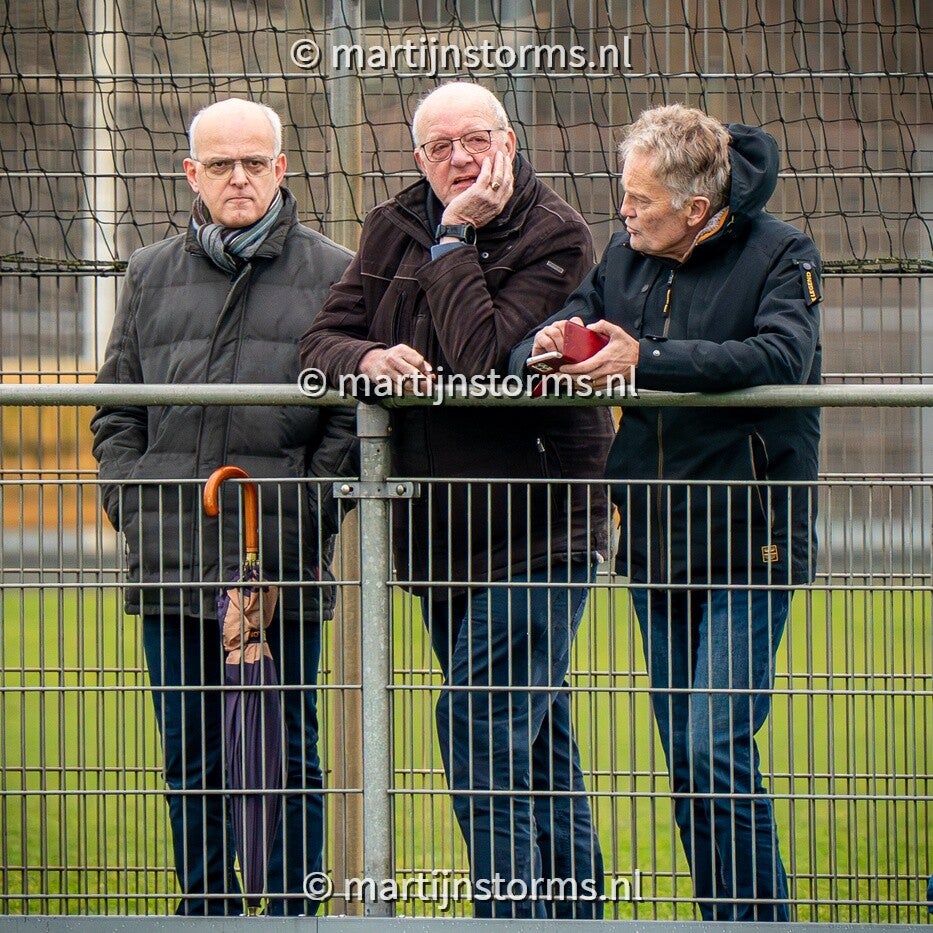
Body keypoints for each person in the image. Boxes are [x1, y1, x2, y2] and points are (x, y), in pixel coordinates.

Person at [299, 81, 614, 918]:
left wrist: (453, 238)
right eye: (440, 147)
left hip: (540, 531)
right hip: (439, 537)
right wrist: (368, 361)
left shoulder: (556, 234)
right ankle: (573, 916)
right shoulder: (389, 224)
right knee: (534, 744)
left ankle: (505, 918)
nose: (460, 159)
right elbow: (320, 342)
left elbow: (480, 360)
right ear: (418, 157)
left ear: (508, 141)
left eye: (475, 140)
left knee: (477, 724)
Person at [512, 103, 822, 921]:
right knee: (686, 761)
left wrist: (644, 359)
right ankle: (726, 917)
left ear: (694, 208)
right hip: (654, 541)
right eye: (624, 194)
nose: (622, 211)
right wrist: (546, 344)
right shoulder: (625, 254)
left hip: (748, 541)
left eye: (639, 200)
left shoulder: (781, 252)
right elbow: (567, 320)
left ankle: (756, 922)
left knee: (714, 744)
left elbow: (781, 354)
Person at [90, 98, 355, 916]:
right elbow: (116, 414)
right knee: (191, 758)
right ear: (191, 174)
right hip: (171, 564)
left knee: (288, 755)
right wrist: (138, 509)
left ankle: (292, 913)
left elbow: (348, 424)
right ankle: (206, 913)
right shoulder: (148, 273)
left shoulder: (336, 271)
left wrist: (294, 530)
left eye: (252, 162)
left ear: (281, 168)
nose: (237, 177)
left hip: (280, 569)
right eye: (219, 164)